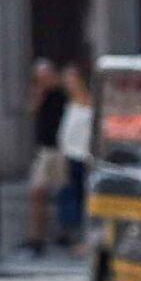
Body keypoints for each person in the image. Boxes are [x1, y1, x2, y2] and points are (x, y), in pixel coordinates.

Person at [26, 58, 66, 257]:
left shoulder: (62, 93)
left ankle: (62, 234)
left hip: (59, 149)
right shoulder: (41, 95)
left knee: (60, 193)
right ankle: (36, 238)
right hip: (45, 150)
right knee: (36, 192)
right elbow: (31, 111)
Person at [57, 61, 94, 252]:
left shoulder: (90, 102)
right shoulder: (69, 103)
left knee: (85, 199)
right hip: (70, 155)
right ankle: (73, 236)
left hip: (85, 156)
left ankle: (86, 241)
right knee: (71, 197)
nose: (68, 83)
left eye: (72, 80)